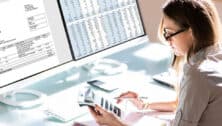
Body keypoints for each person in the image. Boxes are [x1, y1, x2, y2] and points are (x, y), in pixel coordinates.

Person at [88, 0, 222, 125]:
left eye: (169, 33)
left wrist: (115, 123)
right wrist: (144, 104)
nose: (168, 40)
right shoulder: (215, 57)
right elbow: (183, 105)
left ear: (192, 32)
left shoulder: (198, 75)